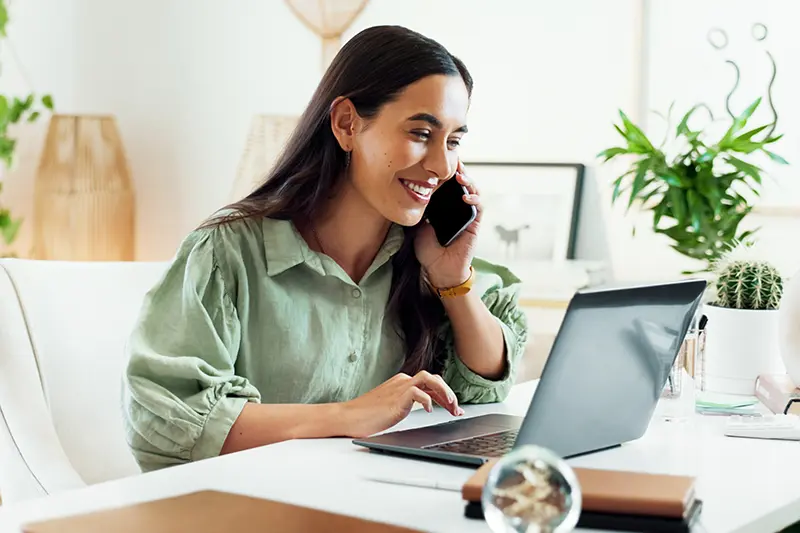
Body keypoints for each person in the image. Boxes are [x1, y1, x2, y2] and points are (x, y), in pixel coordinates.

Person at [121, 24, 529, 472]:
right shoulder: (226, 254)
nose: (441, 166)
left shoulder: (424, 261)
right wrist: (345, 417)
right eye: (420, 133)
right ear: (347, 124)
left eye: (453, 141)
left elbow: (486, 387)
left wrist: (454, 281)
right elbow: (169, 418)